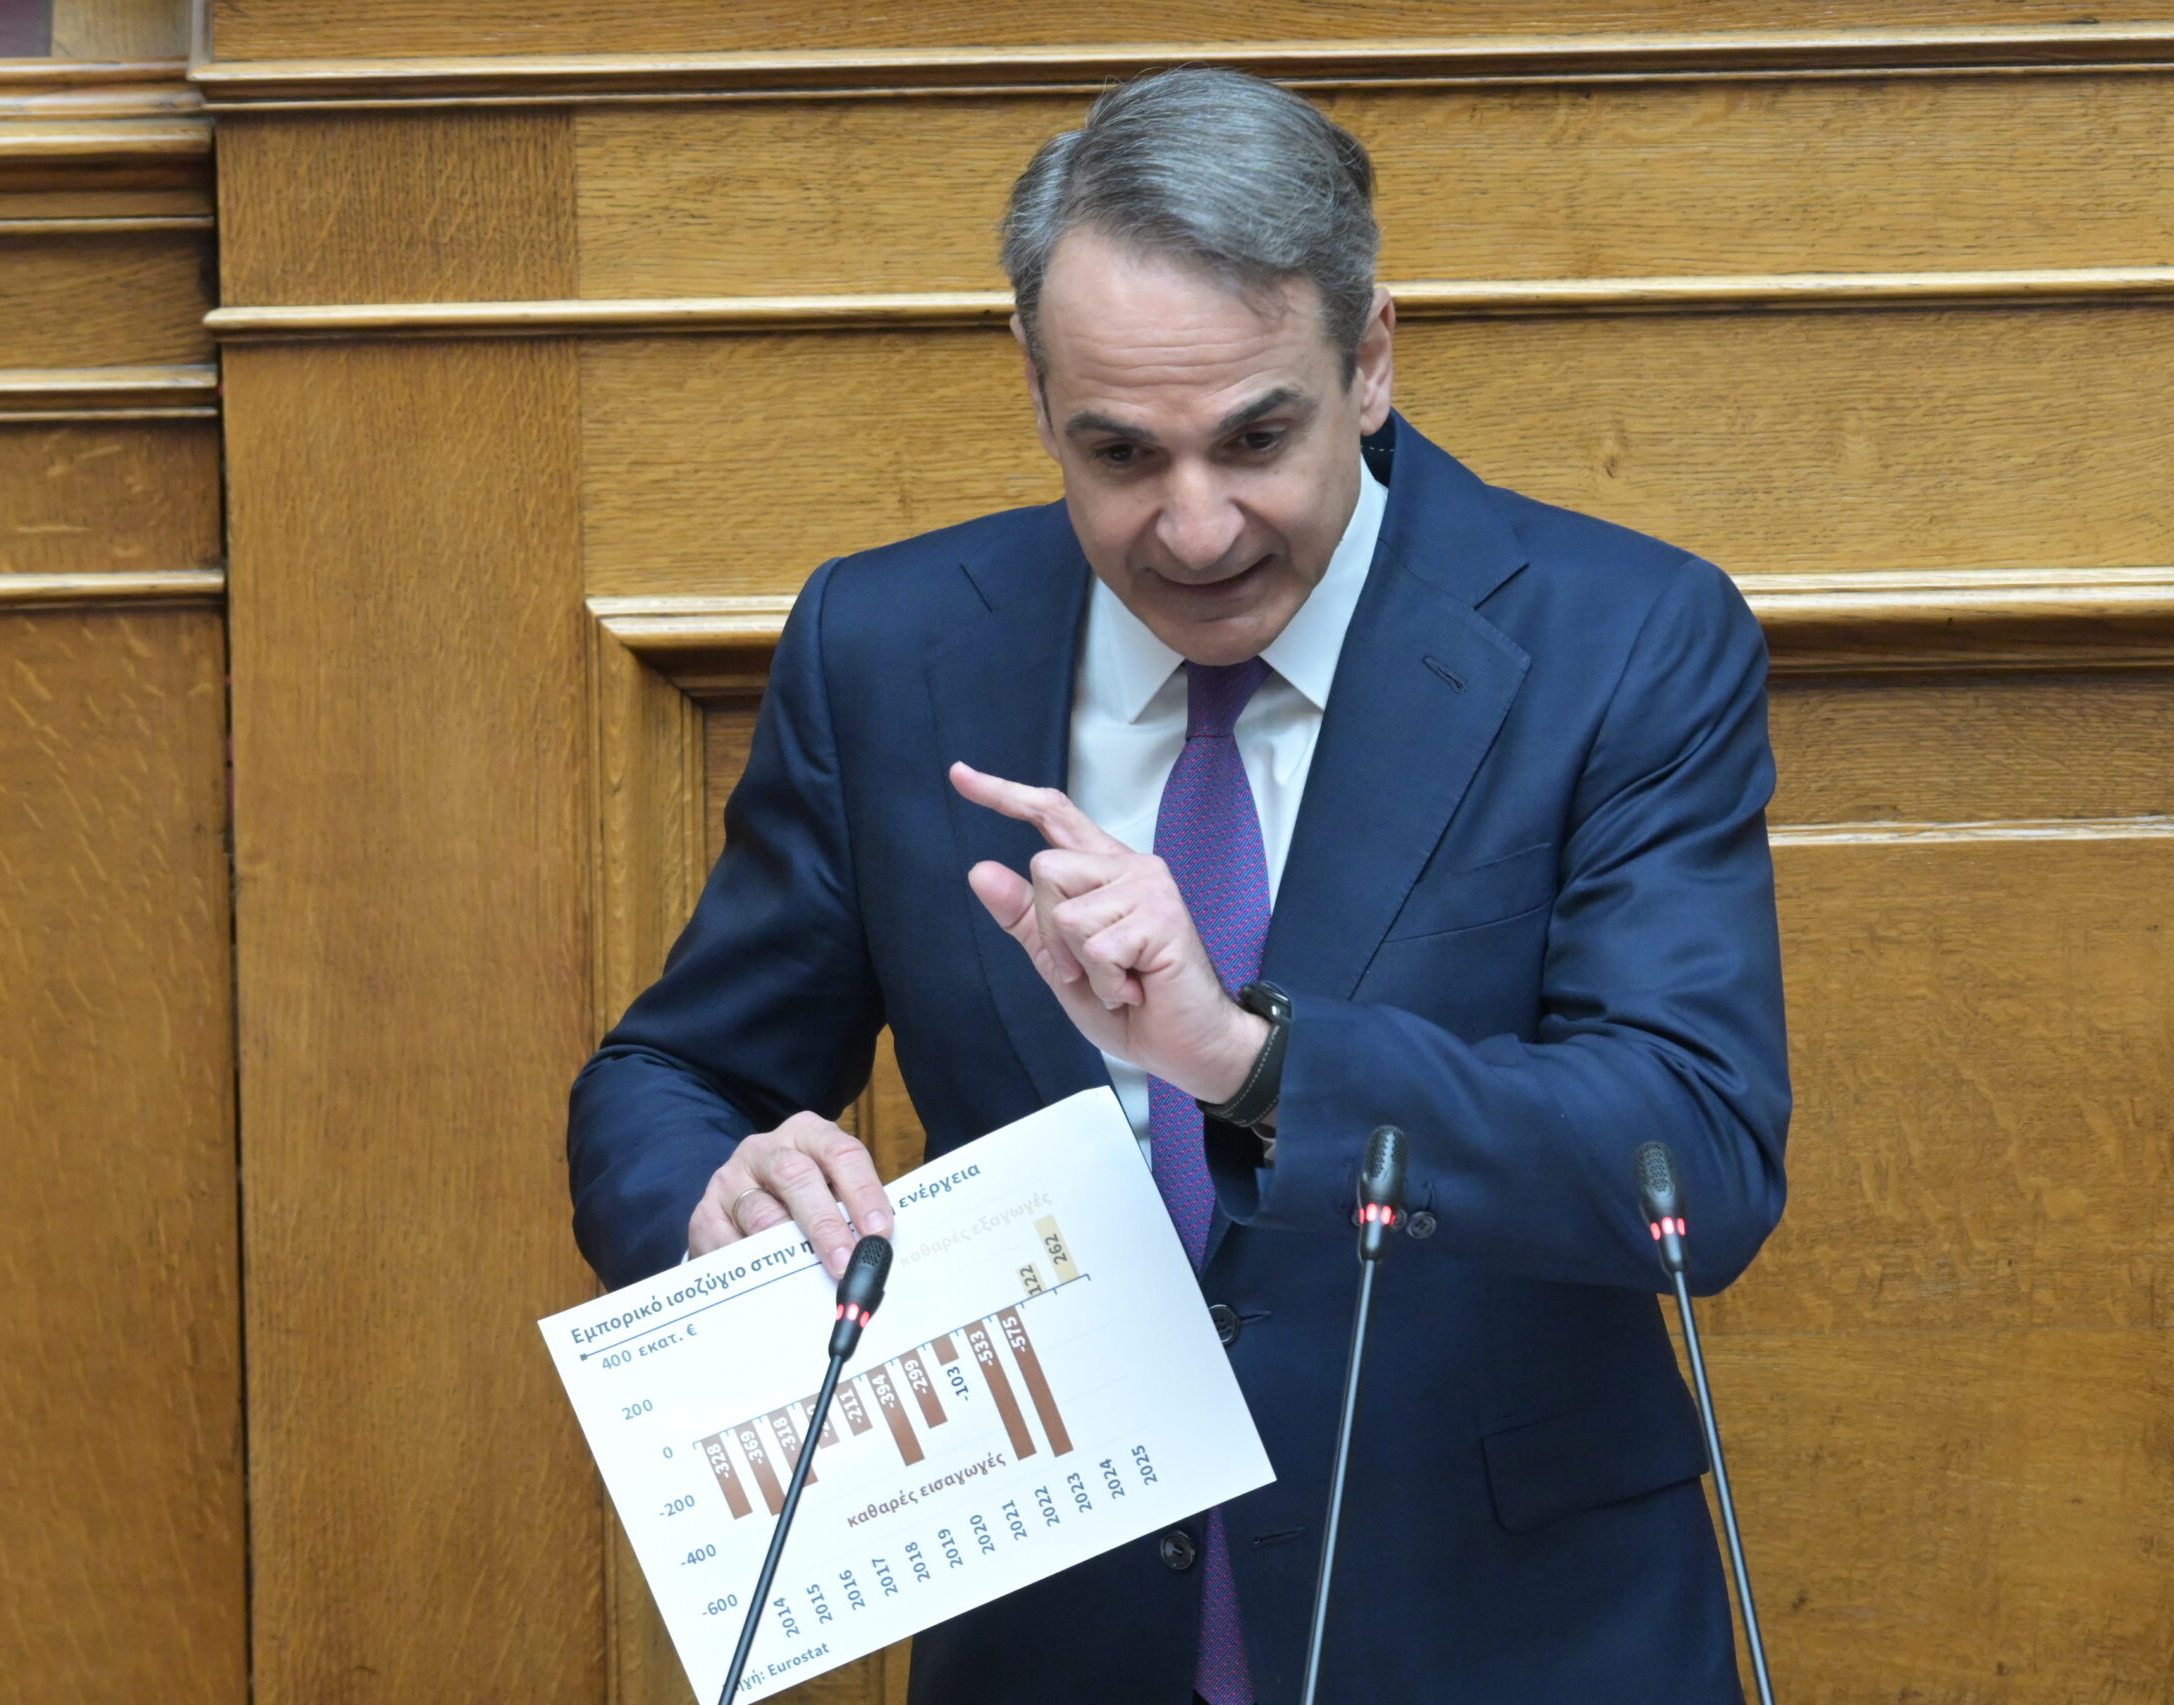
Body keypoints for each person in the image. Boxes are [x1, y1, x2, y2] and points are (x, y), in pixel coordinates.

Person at [568, 66, 1789, 1705]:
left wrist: (1252, 1062)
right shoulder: (891, 648)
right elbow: (669, 1075)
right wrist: (718, 1196)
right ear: (1037, 391)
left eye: (1257, 439)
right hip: (1054, 1646)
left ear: (1370, 358)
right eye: (1122, 453)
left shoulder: (1621, 640)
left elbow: (1693, 1154)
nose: (1196, 528)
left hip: (1499, 1634)